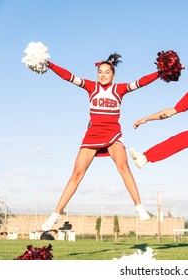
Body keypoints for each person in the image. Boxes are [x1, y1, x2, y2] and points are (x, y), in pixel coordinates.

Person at [41, 53, 160, 231]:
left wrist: (160, 73)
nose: (103, 75)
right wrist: (49, 64)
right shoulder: (91, 87)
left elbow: (141, 82)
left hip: (113, 134)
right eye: (100, 72)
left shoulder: (119, 89)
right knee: (76, 174)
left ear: (113, 75)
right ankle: (55, 215)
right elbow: (69, 76)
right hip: (93, 134)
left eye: (107, 72)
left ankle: (139, 207)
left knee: (123, 167)